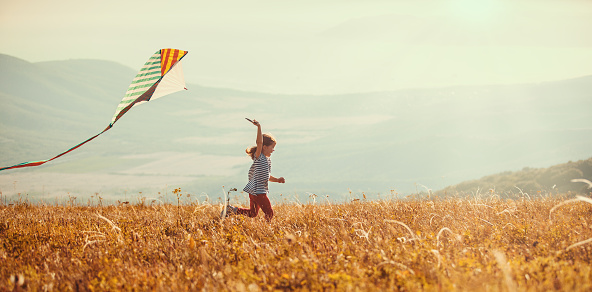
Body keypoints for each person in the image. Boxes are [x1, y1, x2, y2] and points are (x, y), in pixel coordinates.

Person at [222, 119, 285, 221]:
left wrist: (277, 180)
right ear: (264, 147)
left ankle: (231, 210)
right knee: (269, 212)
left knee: (252, 213)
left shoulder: (267, 161)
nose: (273, 149)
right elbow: (259, 142)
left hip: (254, 191)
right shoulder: (259, 157)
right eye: (272, 147)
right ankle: (267, 232)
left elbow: (266, 176)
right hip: (259, 192)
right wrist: (259, 127)